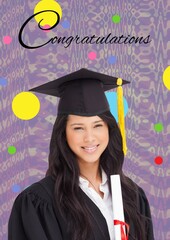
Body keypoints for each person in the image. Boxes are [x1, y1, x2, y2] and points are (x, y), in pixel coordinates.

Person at [8, 68, 154, 240]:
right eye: (78, 128)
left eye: (97, 125)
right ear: (63, 133)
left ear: (109, 129)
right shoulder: (39, 202)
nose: (89, 137)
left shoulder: (132, 195)